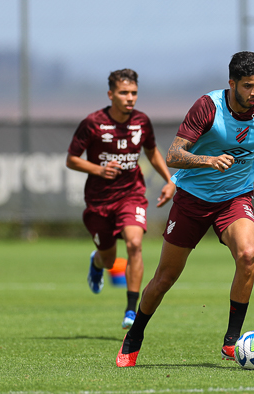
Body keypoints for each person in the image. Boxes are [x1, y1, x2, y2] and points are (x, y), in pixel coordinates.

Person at [116, 51, 254, 367]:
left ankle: (231, 342)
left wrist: (252, 173)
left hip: (235, 200)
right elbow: (173, 155)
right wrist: (207, 160)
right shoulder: (208, 107)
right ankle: (134, 336)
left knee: (247, 256)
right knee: (165, 277)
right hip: (192, 199)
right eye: (247, 86)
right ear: (231, 83)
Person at [66, 69, 176, 330]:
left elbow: (151, 151)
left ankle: (131, 309)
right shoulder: (93, 122)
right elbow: (71, 159)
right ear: (110, 94)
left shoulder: (141, 121)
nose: (130, 98)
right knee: (109, 259)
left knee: (135, 244)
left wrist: (169, 181)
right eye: (124, 93)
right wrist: (99, 169)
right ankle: (96, 261)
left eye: (134, 93)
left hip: (132, 194)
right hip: (99, 201)